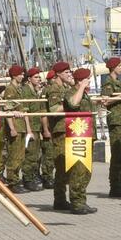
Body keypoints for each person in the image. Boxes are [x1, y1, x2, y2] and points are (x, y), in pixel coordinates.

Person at [64, 68, 98, 214]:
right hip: (77, 137)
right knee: (77, 170)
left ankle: (81, 200)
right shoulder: (71, 92)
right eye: (87, 79)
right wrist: (82, 86)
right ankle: (76, 203)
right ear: (81, 80)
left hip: (87, 135)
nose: (89, 81)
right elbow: (72, 104)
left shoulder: (85, 94)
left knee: (86, 171)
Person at [46, 62, 73, 210]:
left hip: (69, 128)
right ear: (59, 74)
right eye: (67, 72)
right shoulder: (54, 89)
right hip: (60, 130)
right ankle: (60, 200)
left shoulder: (65, 88)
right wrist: (70, 102)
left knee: (67, 165)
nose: (69, 74)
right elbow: (54, 109)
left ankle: (62, 198)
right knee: (62, 165)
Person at [101, 57, 121, 197]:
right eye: (119, 66)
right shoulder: (108, 83)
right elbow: (105, 101)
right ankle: (115, 186)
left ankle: (119, 185)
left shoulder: (119, 82)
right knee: (118, 154)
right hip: (116, 120)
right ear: (113, 68)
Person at [2, 65, 29, 193]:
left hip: (21, 126)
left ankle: (16, 180)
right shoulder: (10, 90)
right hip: (15, 126)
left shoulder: (19, 89)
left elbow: (22, 110)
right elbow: (7, 110)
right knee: (14, 156)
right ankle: (13, 181)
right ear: (14, 75)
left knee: (20, 156)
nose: (23, 76)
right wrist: (12, 128)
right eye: (21, 74)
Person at [22, 67, 44, 192]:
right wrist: (28, 130)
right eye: (36, 77)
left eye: (39, 77)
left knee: (35, 154)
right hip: (30, 127)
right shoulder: (26, 91)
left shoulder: (35, 91)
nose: (39, 79)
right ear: (29, 79)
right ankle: (27, 179)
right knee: (30, 155)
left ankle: (32, 177)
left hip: (36, 127)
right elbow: (25, 111)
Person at [39, 70, 56, 189]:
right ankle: (47, 177)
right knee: (49, 154)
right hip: (49, 127)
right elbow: (43, 112)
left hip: (55, 127)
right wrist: (45, 129)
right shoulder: (47, 91)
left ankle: (50, 176)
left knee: (53, 154)